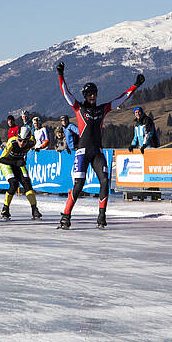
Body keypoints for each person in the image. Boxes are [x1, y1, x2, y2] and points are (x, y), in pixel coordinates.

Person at [56, 61, 144, 228]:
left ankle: (102, 216)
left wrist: (135, 86)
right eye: (90, 94)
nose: (93, 96)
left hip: (97, 151)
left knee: (104, 180)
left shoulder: (102, 109)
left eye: (95, 93)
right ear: (85, 96)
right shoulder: (78, 108)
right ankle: (66, 216)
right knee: (79, 185)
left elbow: (121, 98)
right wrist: (60, 75)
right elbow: (66, 93)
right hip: (82, 152)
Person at [0, 126, 42, 220]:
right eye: (20, 140)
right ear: (17, 138)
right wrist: (16, 162)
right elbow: (1, 159)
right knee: (14, 184)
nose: (22, 143)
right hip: (7, 164)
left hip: (19, 164)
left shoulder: (31, 143)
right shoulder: (12, 142)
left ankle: (34, 209)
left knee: (27, 184)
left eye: (24, 141)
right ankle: (5, 209)